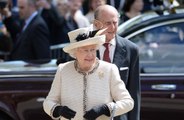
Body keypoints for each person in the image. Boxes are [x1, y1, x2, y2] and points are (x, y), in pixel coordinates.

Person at [43, 27, 134, 120]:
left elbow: (128, 102)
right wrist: (58, 110)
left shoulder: (109, 69)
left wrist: (105, 109)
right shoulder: (63, 70)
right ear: (75, 52)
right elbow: (48, 102)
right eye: (85, 50)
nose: (90, 55)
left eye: (93, 49)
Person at [93, 5, 140, 120]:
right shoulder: (84, 48)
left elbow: (134, 92)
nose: (113, 27)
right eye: (108, 23)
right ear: (96, 24)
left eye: (115, 23)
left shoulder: (131, 49)